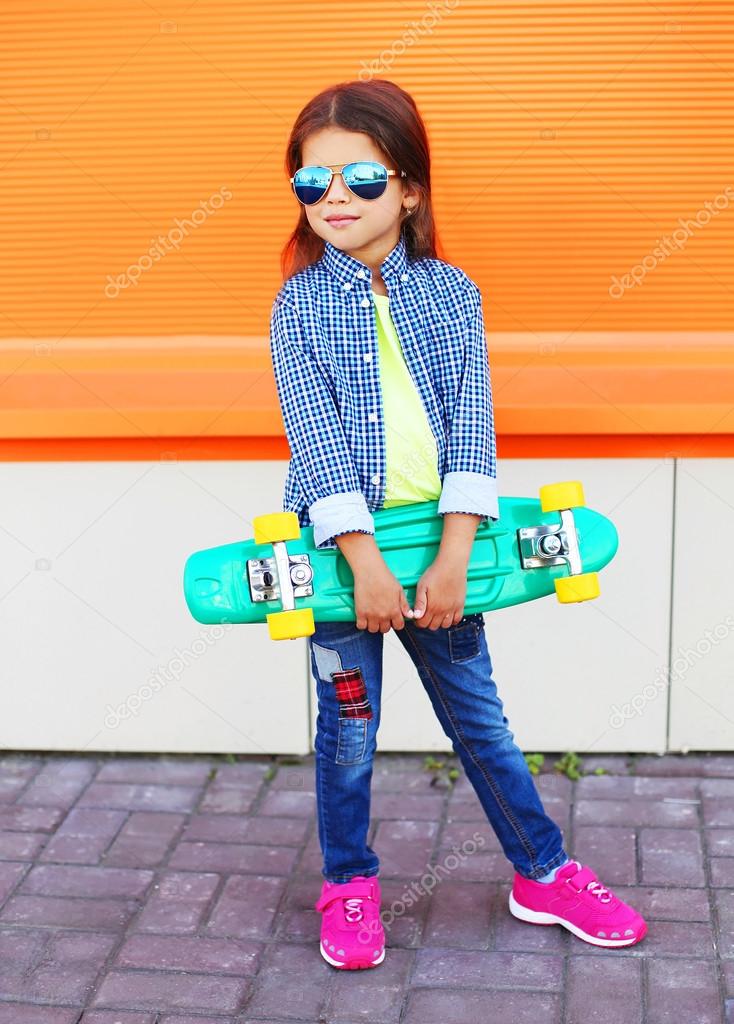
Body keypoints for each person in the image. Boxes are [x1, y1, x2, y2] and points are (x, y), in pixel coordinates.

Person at [269, 78, 647, 970]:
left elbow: (471, 426)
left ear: (408, 189)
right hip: (339, 567)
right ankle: (350, 884)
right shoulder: (297, 305)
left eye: (359, 180)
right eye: (309, 182)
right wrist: (361, 564)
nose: (332, 199)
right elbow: (316, 439)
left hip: (446, 557)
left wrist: (455, 558)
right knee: (348, 730)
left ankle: (541, 871)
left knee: (480, 724)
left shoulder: (450, 292)